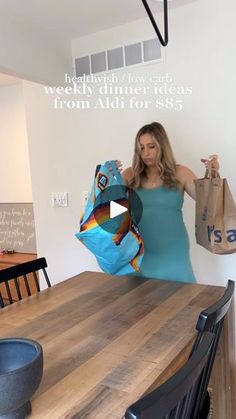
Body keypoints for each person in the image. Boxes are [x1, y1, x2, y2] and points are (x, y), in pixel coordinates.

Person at [117, 122, 219, 283]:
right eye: (141, 148)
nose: (146, 153)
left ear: (162, 146)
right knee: (139, 303)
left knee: (180, 301)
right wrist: (110, 181)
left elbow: (207, 201)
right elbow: (112, 213)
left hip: (173, 252)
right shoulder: (129, 175)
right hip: (139, 254)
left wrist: (212, 175)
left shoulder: (180, 173)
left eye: (151, 146)